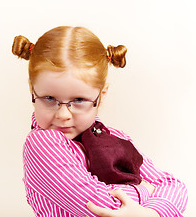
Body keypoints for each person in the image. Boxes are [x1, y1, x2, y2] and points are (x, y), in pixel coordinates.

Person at [12, 26, 188, 217]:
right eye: (49, 98)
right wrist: (146, 189)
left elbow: (173, 186)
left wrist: (152, 214)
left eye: (78, 100)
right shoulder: (42, 144)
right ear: (33, 91)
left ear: (101, 95)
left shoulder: (116, 137)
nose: (63, 114)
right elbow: (99, 207)